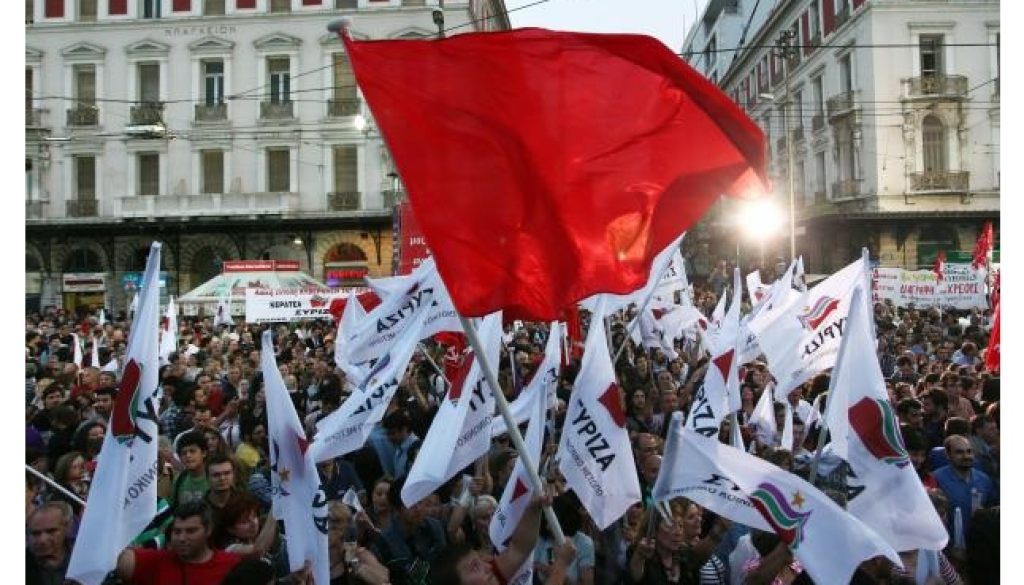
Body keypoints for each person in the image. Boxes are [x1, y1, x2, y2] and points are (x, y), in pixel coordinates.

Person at [429, 491, 552, 585]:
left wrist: (534, 507)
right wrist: (561, 565)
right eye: (475, 567)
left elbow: (519, 549)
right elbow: (452, 529)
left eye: (480, 560)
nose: (488, 567)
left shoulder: (491, 577)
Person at [115, 501, 243, 585]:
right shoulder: (156, 562)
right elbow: (116, 560)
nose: (182, 538)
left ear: (208, 530)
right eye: (177, 531)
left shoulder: (232, 565)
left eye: (190, 531)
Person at [932, 435, 997, 537]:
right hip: (948, 545)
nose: (966, 456)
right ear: (948, 455)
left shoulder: (984, 479)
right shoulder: (936, 479)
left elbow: (992, 510)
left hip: (979, 543)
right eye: (959, 452)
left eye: (969, 451)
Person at [27, 502, 75, 585]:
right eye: (35, 533)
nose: (42, 540)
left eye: (51, 531)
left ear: (68, 527)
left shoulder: (86, 559)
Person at [171, 431, 211, 508]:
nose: (188, 455)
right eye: (184, 453)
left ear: (204, 453)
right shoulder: (179, 480)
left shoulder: (214, 476)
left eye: (192, 451)